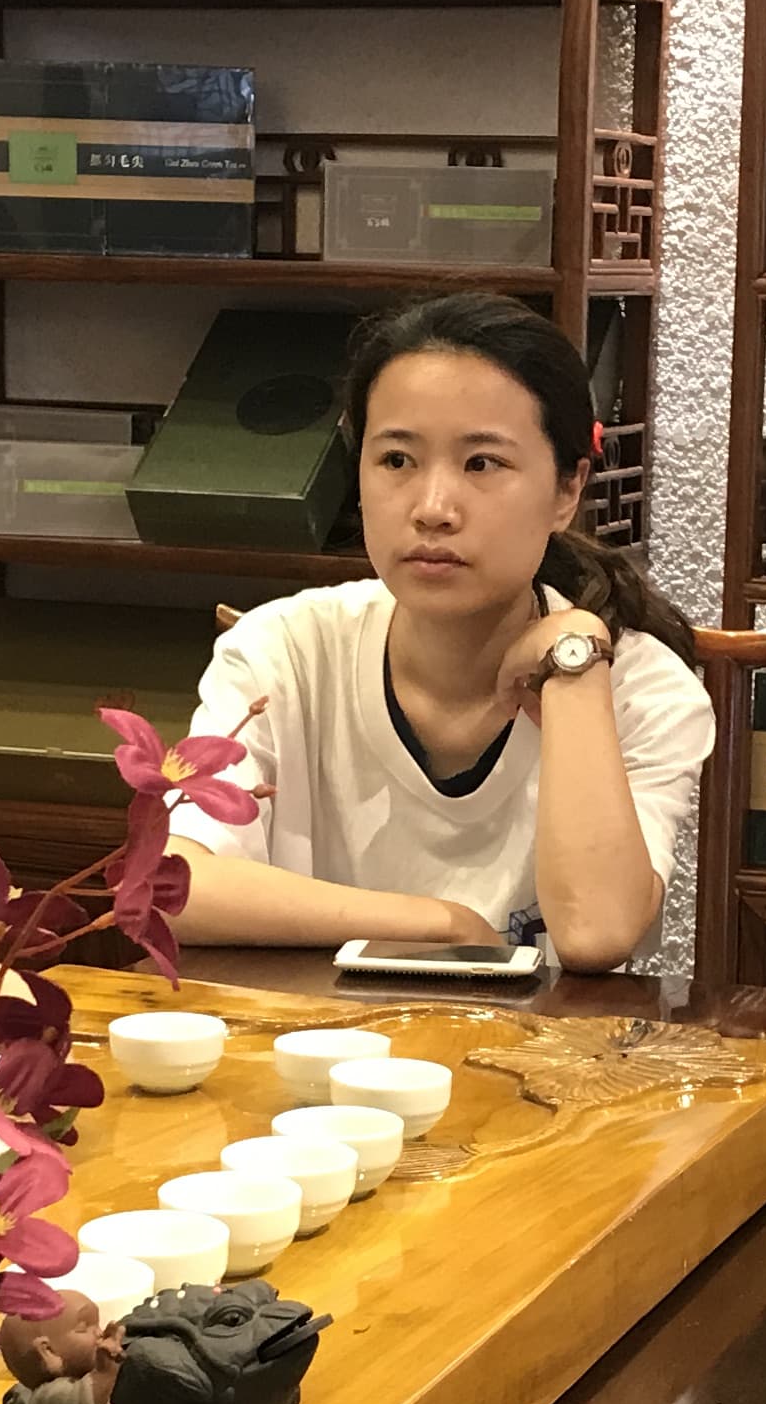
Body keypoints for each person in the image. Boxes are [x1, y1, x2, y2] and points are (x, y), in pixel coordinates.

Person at [165, 292, 710, 972]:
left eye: (482, 464)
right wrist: (442, 924)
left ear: (568, 490)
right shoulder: (282, 653)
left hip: (544, 1043)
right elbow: (170, 889)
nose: (432, 509)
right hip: (315, 1035)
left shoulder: (643, 691)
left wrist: (572, 663)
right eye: (397, 460)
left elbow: (596, 934)